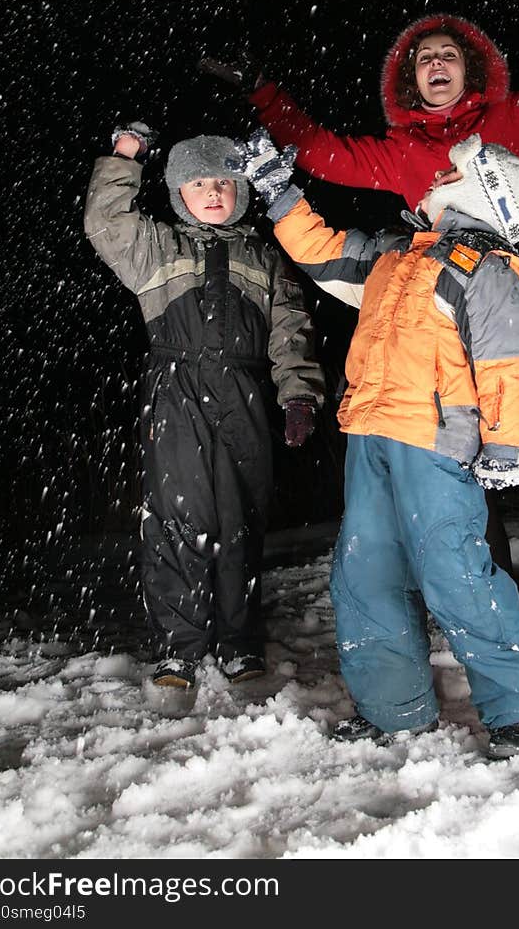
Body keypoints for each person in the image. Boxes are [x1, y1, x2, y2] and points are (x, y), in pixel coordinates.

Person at [199, 12, 519, 617]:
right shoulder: (402, 151)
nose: (436, 64)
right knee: (465, 465)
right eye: (422, 58)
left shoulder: (514, 123)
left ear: (470, 67)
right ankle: (489, 598)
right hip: (442, 333)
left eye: (447, 54)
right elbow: (320, 151)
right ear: (408, 81)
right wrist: (261, 90)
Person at [228, 125, 519, 758]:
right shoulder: (395, 253)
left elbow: (504, 363)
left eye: (451, 173)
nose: (437, 177)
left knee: (456, 573)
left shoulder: (487, 270)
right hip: (371, 433)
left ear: (485, 195)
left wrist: (504, 445)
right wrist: (278, 192)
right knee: (366, 572)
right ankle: (394, 707)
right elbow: (322, 252)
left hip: (436, 442)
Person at [84, 122, 326, 690]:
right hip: (175, 388)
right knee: (176, 517)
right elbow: (105, 222)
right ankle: (179, 647)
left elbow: (292, 332)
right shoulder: (156, 249)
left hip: (244, 394)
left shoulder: (265, 258)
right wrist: (124, 158)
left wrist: (298, 395)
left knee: (240, 518)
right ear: (177, 193)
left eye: (223, 180)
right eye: (198, 183)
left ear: (240, 190)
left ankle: (239, 642)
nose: (213, 191)